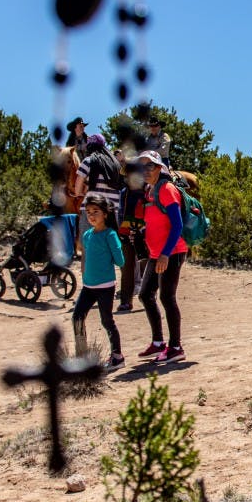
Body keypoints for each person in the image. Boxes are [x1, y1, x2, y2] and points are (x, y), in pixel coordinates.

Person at [134, 150, 188, 363]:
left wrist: (165, 254)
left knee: (167, 297)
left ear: (159, 167)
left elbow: (177, 225)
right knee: (146, 294)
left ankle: (176, 347)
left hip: (171, 252)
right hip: (157, 254)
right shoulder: (150, 190)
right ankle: (158, 343)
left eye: (150, 166)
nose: (146, 171)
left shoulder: (166, 189)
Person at [72, 193, 126, 371]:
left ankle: (117, 356)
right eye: (88, 212)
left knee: (107, 320)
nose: (91, 215)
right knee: (77, 318)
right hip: (88, 287)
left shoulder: (110, 235)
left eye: (96, 211)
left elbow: (121, 261)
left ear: (106, 214)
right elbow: (86, 256)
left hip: (105, 287)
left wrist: (114, 252)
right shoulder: (87, 235)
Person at [74, 134, 123, 262]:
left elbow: (77, 190)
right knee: (107, 251)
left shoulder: (88, 161)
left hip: (92, 211)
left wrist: (84, 189)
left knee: (87, 251)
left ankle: (88, 281)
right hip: (112, 212)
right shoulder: (116, 164)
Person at [113, 149, 145, 312]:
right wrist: (122, 232)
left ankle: (148, 296)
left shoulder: (146, 190)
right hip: (127, 232)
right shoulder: (124, 192)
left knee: (146, 264)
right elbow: (120, 213)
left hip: (144, 232)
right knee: (127, 267)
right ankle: (126, 300)